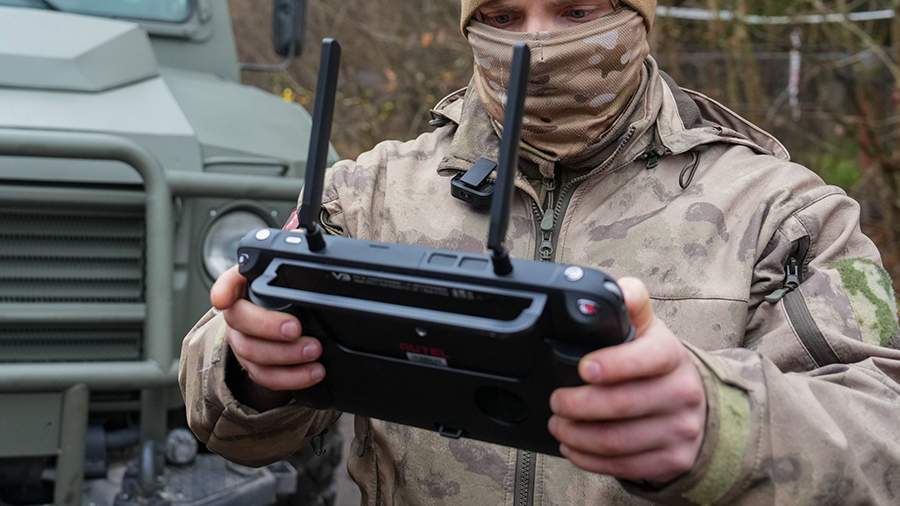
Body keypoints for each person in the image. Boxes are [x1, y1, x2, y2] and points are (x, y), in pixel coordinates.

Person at [180, 0, 900, 503]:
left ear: (637, 17)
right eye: (502, 17)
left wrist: (722, 425)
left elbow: (882, 433)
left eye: (577, 11)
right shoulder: (368, 192)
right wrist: (251, 368)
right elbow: (219, 407)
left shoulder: (777, 210)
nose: (537, 43)